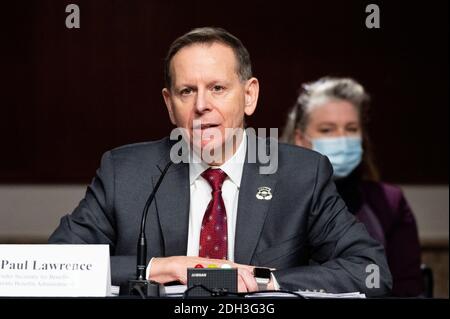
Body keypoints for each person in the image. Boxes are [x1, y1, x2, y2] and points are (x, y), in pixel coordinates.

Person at [49, 28, 392, 296]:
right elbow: (58, 265)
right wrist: (160, 268)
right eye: (187, 91)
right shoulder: (125, 172)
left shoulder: (302, 175)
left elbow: (370, 271)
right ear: (170, 105)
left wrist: (261, 281)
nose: (201, 105)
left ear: (249, 96)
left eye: (217, 88)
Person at [280, 77, 423, 297]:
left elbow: (406, 288)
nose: (342, 139)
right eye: (327, 130)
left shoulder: (388, 201)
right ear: (301, 138)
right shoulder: (275, 200)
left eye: (351, 128)